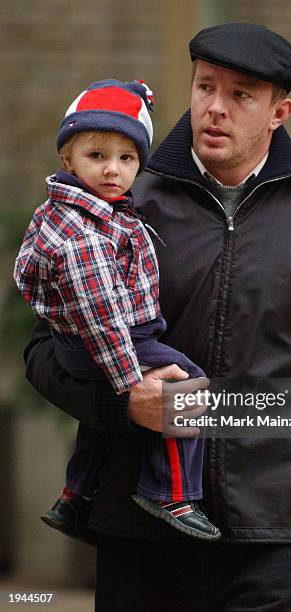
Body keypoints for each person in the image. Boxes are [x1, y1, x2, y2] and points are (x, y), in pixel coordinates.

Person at [23, 23, 291, 612]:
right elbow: (45, 350)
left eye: (242, 94)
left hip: (277, 536)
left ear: (280, 112)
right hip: (141, 530)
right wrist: (123, 405)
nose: (215, 108)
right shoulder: (118, 208)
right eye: (205, 87)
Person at [14, 78, 220, 543]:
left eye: (126, 159)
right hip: (112, 340)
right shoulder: (85, 232)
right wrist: (129, 381)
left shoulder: (86, 211)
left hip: (92, 339)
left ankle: (75, 494)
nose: (112, 170)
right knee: (184, 386)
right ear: (68, 159)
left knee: (100, 425)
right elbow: (101, 315)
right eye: (97, 156)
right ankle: (171, 492)